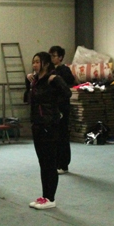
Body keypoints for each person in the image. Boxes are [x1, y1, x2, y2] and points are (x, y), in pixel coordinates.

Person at [27, 52, 72, 210]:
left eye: (37, 62)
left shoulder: (53, 79)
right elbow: (29, 99)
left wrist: (56, 87)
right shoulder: (35, 81)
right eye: (33, 62)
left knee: (49, 163)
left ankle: (50, 198)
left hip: (50, 126)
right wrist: (29, 82)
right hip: (37, 125)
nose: (34, 65)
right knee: (42, 163)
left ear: (45, 64)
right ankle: (44, 196)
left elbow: (67, 93)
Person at [49, 45, 76, 174]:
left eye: (54, 56)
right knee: (53, 136)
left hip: (62, 106)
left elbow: (70, 84)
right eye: (50, 56)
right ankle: (55, 162)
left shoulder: (64, 70)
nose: (51, 58)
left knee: (62, 135)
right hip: (52, 106)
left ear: (60, 57)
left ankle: (64, 164)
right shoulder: (49, 70)